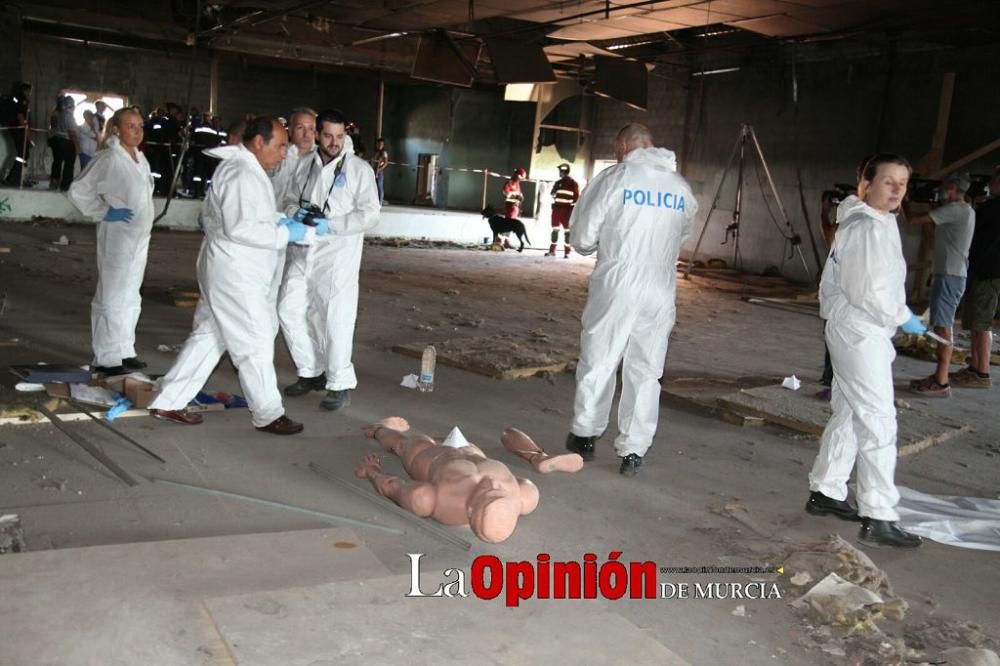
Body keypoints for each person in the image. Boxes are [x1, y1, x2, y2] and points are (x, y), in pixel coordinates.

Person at [148, 116, 326, 435]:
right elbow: (241, 226)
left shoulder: (247, 171)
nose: (285, 153)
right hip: (234, 272)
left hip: (230, 268)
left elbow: (249, 215)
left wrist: (282, 221)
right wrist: (286, 234)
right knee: (254, 341)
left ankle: (169, 399)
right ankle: (268, 413)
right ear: (258, 142)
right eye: (281, 146)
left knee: (210, 337)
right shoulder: (242, 172)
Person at [806, 153, 925, 549]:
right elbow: (866, 291)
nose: (896, 190)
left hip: (861, 328)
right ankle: (878, 514)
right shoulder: (865, 227)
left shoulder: (876, 221)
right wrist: (902, 314)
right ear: (867, 184)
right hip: (860, 330)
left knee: (850, 412)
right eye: (888, 181)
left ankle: (827, 489)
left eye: (902, 184)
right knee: (878, 420)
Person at [565, 123, 697, 477]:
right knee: (647, 368)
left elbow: (582, 236)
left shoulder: (615, 179)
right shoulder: (680, 188)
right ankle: (634, 450)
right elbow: (683, 232)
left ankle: (585, 433)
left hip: (618, 282)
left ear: (623, 145)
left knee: (600, 357)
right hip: (661, 286)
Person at [279, 108, 380, 411]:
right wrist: (294, 213)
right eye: (328, 135)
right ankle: (311, 371)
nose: (334, 142)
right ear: (317, 135)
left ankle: (339, 383)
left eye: (340, 136)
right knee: (288, 308)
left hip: (338, 253)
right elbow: (287, 200)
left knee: (335, 318)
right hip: (303, 248)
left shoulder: (359, 169)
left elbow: (371, 214)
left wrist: (332, 225)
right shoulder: (305, 165)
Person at [67, 107, 155, 375]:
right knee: (112, 294)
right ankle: (106, 357)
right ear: (116, 128)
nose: (137, 131)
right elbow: (78, 190)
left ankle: (124, 350)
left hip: (139, 237)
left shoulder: (140, 159)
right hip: (117, 235)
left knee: (130, 295)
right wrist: (104, 212)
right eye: (131, 126)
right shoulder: (108, 158)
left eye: (140, 126)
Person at [354, 417, 540, 543]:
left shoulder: (433, 501)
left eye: (485, 492)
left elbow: (394, 488)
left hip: (428, 455)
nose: (491, 483)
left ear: (470, 509)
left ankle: (379, 429)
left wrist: (372, 472)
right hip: (467, 448)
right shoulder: (524, 495)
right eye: (498, 489)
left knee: (404, 444)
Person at [903, 172, 976, 397]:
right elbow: (936, 230)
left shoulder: (956, 209)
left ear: (954, 187)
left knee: (944, 328)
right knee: (942, 326)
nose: (942, 189)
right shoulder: (964, 211)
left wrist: (904, 199)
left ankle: (942, 381)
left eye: (945, 186)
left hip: (950, 275)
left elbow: (912, 220)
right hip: (951, 274)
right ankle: (939, 377)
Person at [273, 107, 318, 390]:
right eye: (299, 127)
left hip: (310, 246)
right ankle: (312, 370)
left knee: (293, 307)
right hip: (276, 240)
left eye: (311, 128)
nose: (305, 133)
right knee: (274, 307)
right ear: (290, 129)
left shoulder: (323, 161)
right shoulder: (279, 156)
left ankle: (312, 370)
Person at [951, 165, 1000, 389]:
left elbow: (973, 230)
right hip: (986, 270)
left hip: (989, 272)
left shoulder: (992, 207)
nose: (991, 183)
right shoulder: (991, 206)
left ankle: (982, 373)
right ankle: (975, 368)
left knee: (981, 323)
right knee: (975, 322)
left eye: (995, 179)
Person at [0, 81, 32, 187]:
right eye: (29, 91)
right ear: (26, 90)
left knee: (22, 153)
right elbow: (20, 115)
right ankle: (14, 178)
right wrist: (26, 130)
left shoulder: (15, 98)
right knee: (23, 153)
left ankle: (13, 178)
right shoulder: (21, 99)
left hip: (14, 129)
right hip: (19, 129)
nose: (30, 93)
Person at [545, 163, 579, 258]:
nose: (559, 173)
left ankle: (565, 252)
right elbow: (552, 194)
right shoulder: (559, 183)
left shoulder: (572, 183)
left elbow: (576, 200)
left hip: (565, 211)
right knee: (557, 231)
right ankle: (557, 251)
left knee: (566, 232)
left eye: (560, 171)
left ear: (563, 171)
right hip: (559, 210)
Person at [50, 95, 79, 191]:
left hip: (57, 141)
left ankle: (54, 182)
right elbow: (72, 132)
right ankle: (65, 185)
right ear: (73, 106)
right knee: (69, 164)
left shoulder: (60, 114)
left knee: (57, 162)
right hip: (67, 142)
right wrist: (77, 145)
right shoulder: (69, 116)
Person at [369, 137, 389, 205]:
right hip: (373, 171)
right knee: (373, 186)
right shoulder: (375, 152)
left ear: (383, 145)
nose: (379, 145)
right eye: (378, 144)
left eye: (381, 144)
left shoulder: (384, 153)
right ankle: (374, 201)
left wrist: (380, 169)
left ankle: (380, 202)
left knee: (379, 186)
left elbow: (386, 163)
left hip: (379, 172)